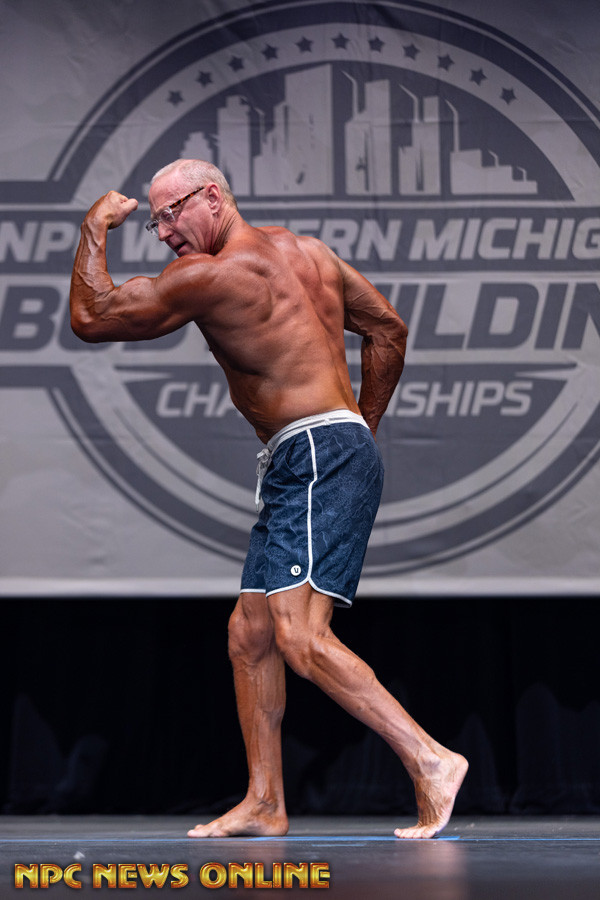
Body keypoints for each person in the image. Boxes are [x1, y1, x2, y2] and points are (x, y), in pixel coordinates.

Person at [70, 158, 468, 839]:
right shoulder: (311, 254)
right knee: (249, 636)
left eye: (171, 215)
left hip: (315, 456)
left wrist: (94, 227)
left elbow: (91, 316)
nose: (164, 233)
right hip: (317, 453)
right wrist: (359, 429)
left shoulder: (209, 275)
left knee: (299, 636)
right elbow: (388, 329)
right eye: (155, 222)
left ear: (212, 197)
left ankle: (430, 758)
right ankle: (264, 800)